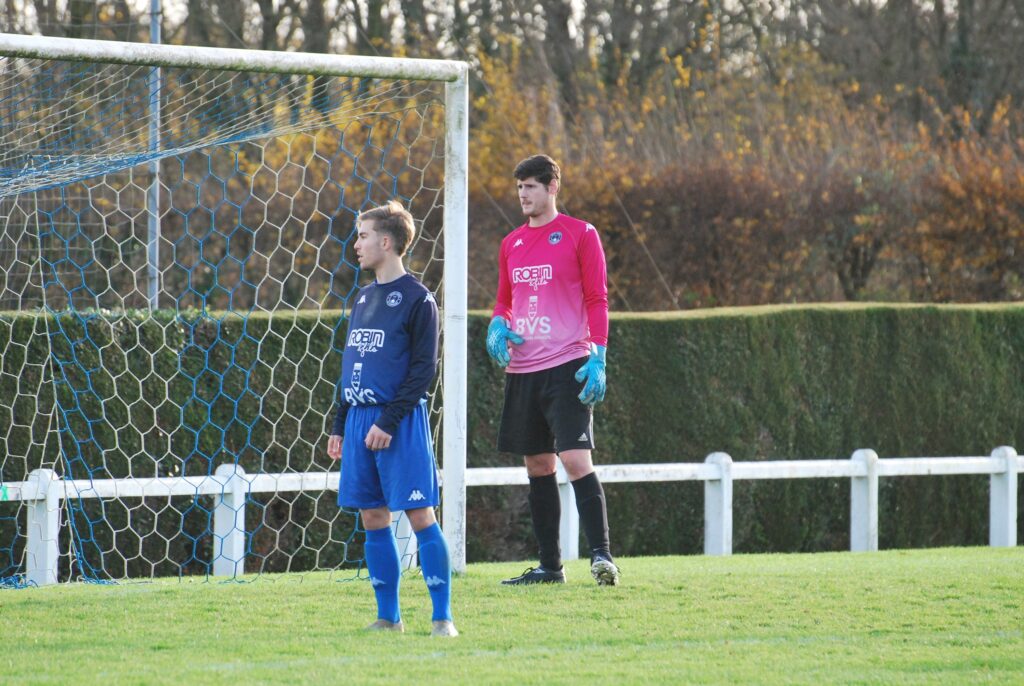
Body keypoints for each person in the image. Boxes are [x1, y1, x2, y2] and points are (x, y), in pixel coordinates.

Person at [488, 154, 619, 586]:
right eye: (519, 187)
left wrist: (598, 356)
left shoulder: (581, 234)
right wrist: (497, 322)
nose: (523, 194)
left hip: (569, 363)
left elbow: (597, 298)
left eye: (530, 186)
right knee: (538, 466)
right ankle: (550, 568)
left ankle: (602, 558)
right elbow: (505, 299)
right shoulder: (512, 243)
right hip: (524, 369)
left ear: (552, 188)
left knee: (576, 459)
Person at [327, 200, 457, 637]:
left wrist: (388, 421)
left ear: (386, 241)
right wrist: (339, 423)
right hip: (360, 421)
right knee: (372, 517)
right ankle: (389, 618)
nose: (356, 244)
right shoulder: (362, 298)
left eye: (362, 235)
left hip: (398, 424)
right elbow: (352, 364)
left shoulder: (420, 300)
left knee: (420, 515)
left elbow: (424, 371)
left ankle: (442, 618)